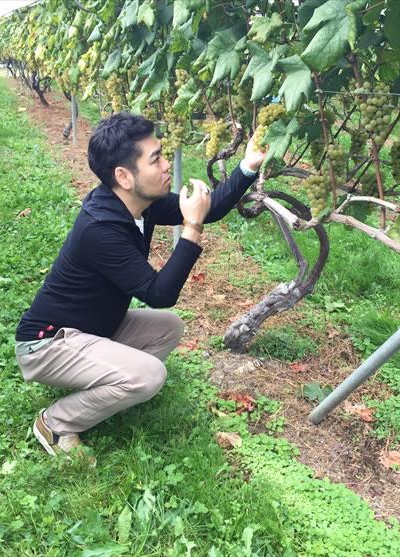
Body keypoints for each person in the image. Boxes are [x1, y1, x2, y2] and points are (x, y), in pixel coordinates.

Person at [14, 112, 266, 456]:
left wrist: (249, 165)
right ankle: (55, 422)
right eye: (156, 159)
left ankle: (111, 388)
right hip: (48, 345)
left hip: (93, 329)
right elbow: (159, 293)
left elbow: (212, 209)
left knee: (168, 328)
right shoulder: (100, 228)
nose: (166, 165)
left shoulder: (139, 203)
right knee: (149, 375)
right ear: (124, 176)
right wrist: (191, 229)